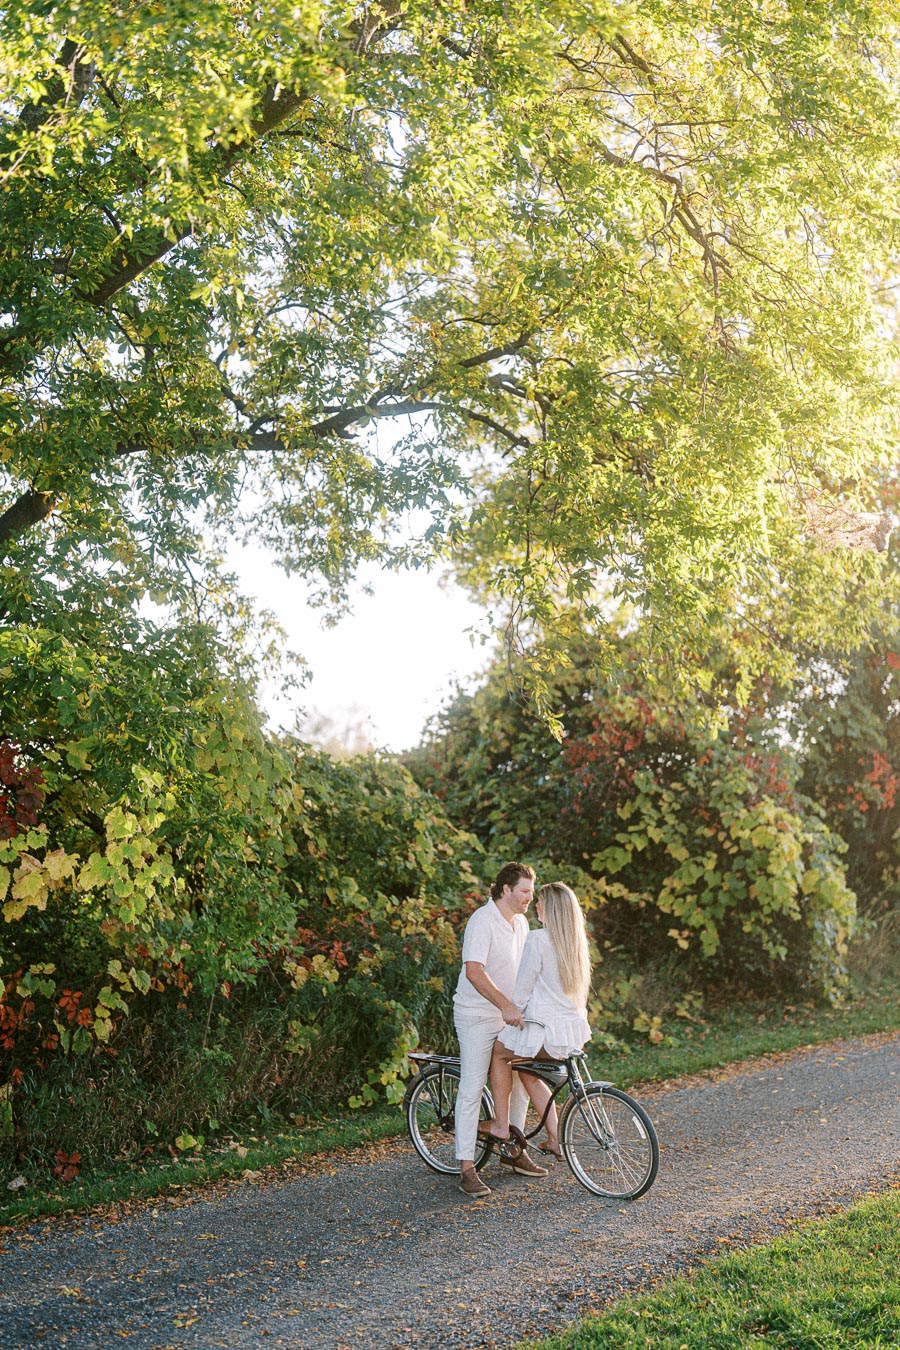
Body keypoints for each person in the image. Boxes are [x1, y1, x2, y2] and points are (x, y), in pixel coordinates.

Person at [453, 862, 550, 1197]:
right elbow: (474, 972)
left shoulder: (521, 924)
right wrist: (505, 1005)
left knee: (520, 1077)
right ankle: (466, 1167)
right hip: (477, 1014)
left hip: (510, 1015)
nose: (529, 898)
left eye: (531, 892)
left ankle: (513, 1150)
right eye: (524, 891)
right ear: (506, 889)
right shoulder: (482, 921)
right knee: (472, 1085)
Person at [479, 882, 592, 1159]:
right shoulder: (574, 943)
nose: (536, 905)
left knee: (499, 1053)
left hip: (547, 1032)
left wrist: (510, 1011)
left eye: (540, 901)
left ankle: (500, 1125)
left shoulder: (539, 939)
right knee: (528, 1070)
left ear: (551, 909)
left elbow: (522, 990)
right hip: (570, 1032)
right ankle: (555, 1138)